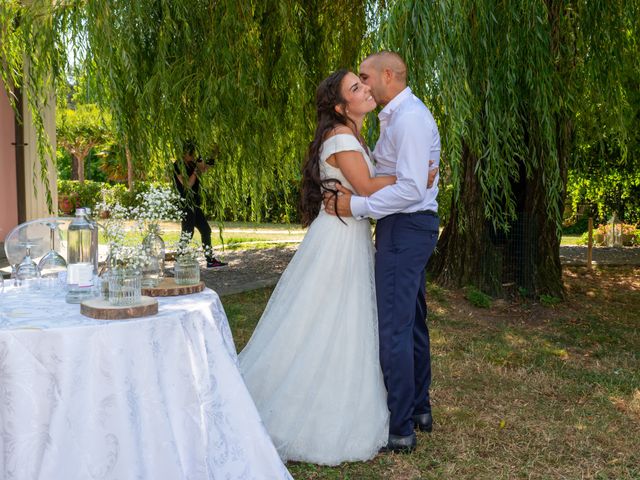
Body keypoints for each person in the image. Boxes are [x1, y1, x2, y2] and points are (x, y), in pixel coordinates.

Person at [239, 69, 395, 465]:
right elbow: (364, 187)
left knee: (342, 318)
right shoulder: (342, 137)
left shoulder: (353, 135)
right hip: (338, 238)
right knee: (326, 316)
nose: (365, 89)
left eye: (362, 84)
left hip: (348, 232)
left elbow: (361, 187)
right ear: (342, 106)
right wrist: (411, 175)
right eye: (355, 88)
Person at [324, 51, 441, 453]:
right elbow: (405, 179)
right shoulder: (398, 117)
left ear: (387, 75)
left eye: (365, 77)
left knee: (394, 326)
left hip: (405, 228)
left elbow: (410, 189)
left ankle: (400, 426)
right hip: (412, 227)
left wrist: (355, 207)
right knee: (411, 322)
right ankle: (419, 408)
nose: (364, 84)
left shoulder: (407, 119)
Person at [173, 140, 227, 268]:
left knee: (205, 230)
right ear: (184, 153)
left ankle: (210, 260)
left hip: (195, 204)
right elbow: (188, 184)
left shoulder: (192, 163)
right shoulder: (177, 165)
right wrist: (197, 170)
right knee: (188, 232)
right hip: (185, 203)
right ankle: (178, 260)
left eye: (194, 153)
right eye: (191, 153)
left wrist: (212, 156)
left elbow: (204, 168)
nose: (193, 156)